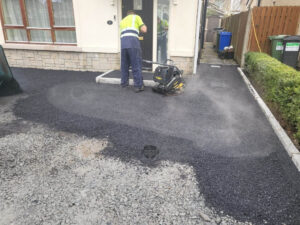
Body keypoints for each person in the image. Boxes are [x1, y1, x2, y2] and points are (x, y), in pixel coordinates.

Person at [120, 10, 147, 93]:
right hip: (133, 43)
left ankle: (124, 83)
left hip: (123, 44)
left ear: (127, 15)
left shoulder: (122, 21)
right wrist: (141, 26)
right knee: (136, 64)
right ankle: (138, 86)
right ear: (133, 14)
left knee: (124, 65)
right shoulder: (136, 17)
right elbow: (144, 29)